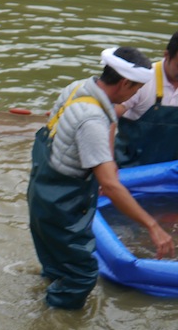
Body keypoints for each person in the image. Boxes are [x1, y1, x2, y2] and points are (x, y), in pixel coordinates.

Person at [27, 46, 175, 310]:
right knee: (82, 275)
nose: (138, 93)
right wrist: (152, 226)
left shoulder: (78, 88)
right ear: (125, 82)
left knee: (56, 265)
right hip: (63, 203)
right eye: (137, 87)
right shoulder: (92, 120)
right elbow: (109, 185)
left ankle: (42, 301)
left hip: (42, 191)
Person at [114, 31, 178, 167]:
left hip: (168, 170)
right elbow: (108, 117)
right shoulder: (142, 80)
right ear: (166, 55)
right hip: (130, 167)